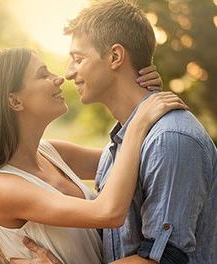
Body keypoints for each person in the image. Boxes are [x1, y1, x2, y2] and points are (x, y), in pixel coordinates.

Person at [12, 0, 217, 263]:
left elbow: (164, 258)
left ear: (115, 57)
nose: (68, 73)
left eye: (78, 59)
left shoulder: (170, 139)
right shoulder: (122, 143)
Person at [0, 47, 187, 264]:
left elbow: (143, 159)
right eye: (42, 74)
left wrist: (140, 95)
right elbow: (109, 212)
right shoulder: (1, 188)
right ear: (14, 101)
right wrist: (139, 122)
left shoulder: (54, 153)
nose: (59, 78)